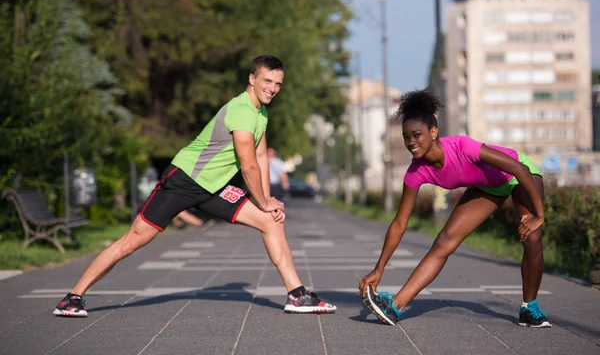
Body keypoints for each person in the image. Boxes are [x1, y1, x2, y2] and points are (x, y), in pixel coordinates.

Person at [54, 55, 336, 317]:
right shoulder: (241, 110)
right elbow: (248, 164)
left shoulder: (260, 113)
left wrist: (268, 201)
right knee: (132, 242)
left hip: (213, 187)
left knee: (271, 221)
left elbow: (261, 157)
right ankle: (72, 298)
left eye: (278, 84)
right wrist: (261, 200)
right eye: (267, 81)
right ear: (252, 79)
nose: (273, 88)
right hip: (184, 180)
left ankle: (297, 295)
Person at [359, 88, 550, 328]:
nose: (411, 143)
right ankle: (395, 305)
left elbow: (519, 170)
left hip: (519, 176)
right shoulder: (415, 171)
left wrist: (539, 216)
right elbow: (399, 223)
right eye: (406, 137)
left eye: (417, 135)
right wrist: (379, 268)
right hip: (485, 187)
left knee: (531, 237)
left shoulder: (461, 146)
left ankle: (529, 308)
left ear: (433, 132)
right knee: (444, 242)